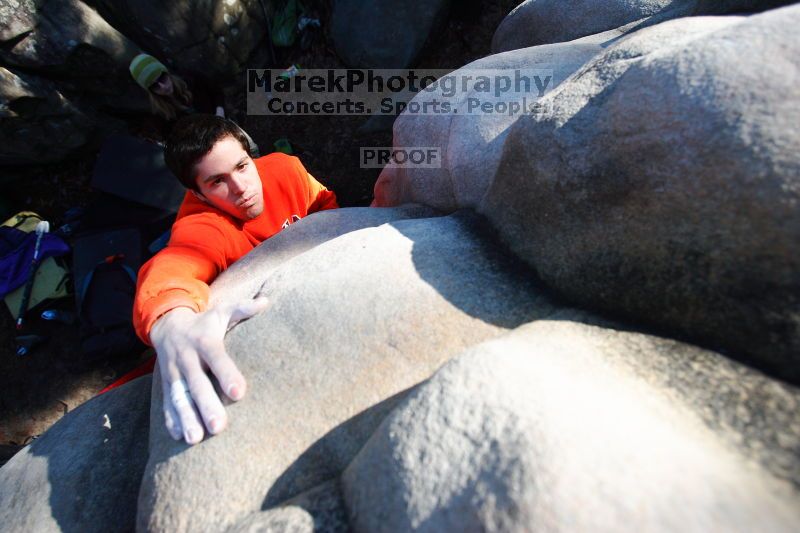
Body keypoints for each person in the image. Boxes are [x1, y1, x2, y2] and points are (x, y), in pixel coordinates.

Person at [133, 114, 338, 445]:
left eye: (242, 166)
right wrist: (170, 321)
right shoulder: (205, 225)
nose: (242, 189)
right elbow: (175, 266)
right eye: (217, 182)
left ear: (250, 154)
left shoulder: (286, 170)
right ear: (197, 194)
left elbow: (325, 204)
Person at [128, 53, 259, 154]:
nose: (163, 86)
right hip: (206, 144)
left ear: (166, 72)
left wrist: (220, 112)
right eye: (155, 86)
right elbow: (172, 139)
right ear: (150, 91)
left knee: (251, 149)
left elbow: (216, 90)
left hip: (223, 122)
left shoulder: (190, 78)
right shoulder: (160, 114)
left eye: (162, 77)